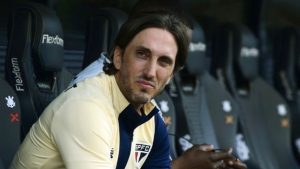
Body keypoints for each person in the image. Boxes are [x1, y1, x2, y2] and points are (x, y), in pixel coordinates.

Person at [9, 11, 246, 169]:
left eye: (164, 61)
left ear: (171, 74)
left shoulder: (149, 115)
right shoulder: (86, 108)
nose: (151, 71)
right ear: (119, 57)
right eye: (142, 54)